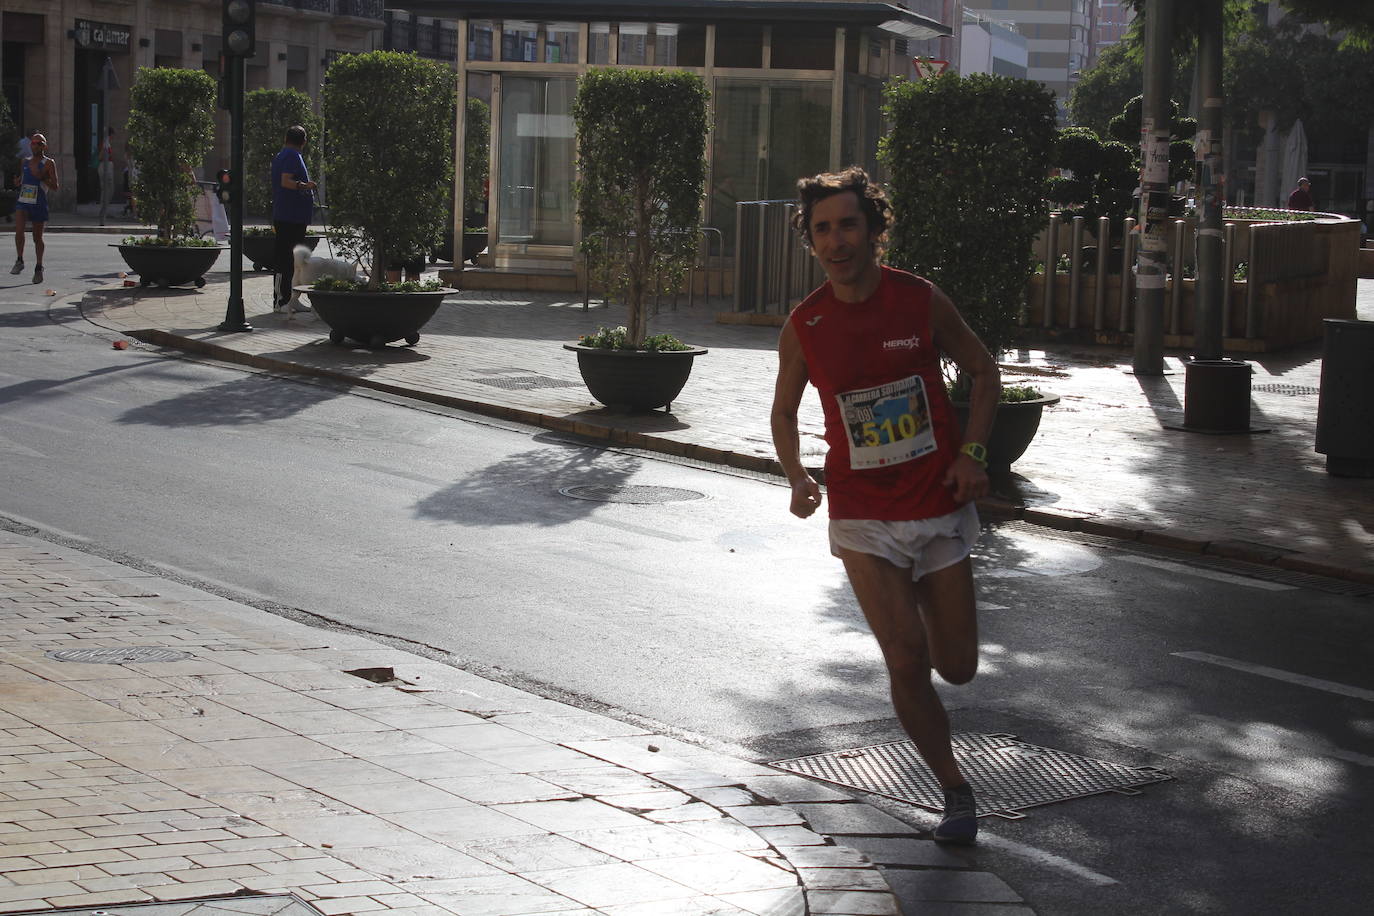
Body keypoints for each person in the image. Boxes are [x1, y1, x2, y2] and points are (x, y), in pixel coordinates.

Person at [770, 166, 999, 845]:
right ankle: (954, 790)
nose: (836, 241)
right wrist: (798, 478)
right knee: (904, 659)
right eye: (822, 230)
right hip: (863, 515)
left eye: (847, 225)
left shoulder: (918, 300)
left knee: (955, 665)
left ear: (872, 229)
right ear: (810, 242)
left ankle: (931, 614)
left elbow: (984, 373)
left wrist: (974, 454)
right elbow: (783, 413)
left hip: (936, 505)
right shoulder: (805, 323)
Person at [271, 125, 318, 312]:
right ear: (303, 141)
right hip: (289, 216)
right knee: (286, 259)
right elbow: (286, 180)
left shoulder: (283, 154)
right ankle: (282, 300)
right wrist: (305, 186)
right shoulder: (291, 155)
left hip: (292, 216)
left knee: (291, 260)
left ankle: (290, 299)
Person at [12, 132, 59, 285]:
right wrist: (19, 181)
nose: (35, 145)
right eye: (33, 143)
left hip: (39, 201)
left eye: (39, 143)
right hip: (24, 200)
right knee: (19, 231)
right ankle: (20, 259)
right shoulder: (25, 161)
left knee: (37, 238)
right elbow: (23, 178)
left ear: (44, 146)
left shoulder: (48, 163)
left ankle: (39, 267)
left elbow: (55, 187)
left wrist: (42, 177)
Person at [97, 127, 116, 225]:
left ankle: (104, 210)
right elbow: (100, 156)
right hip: (106, 166)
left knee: (107, 189)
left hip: (107, 165)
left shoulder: (107, 142)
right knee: (108, 189)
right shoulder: (105, 142)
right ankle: (103, 212)